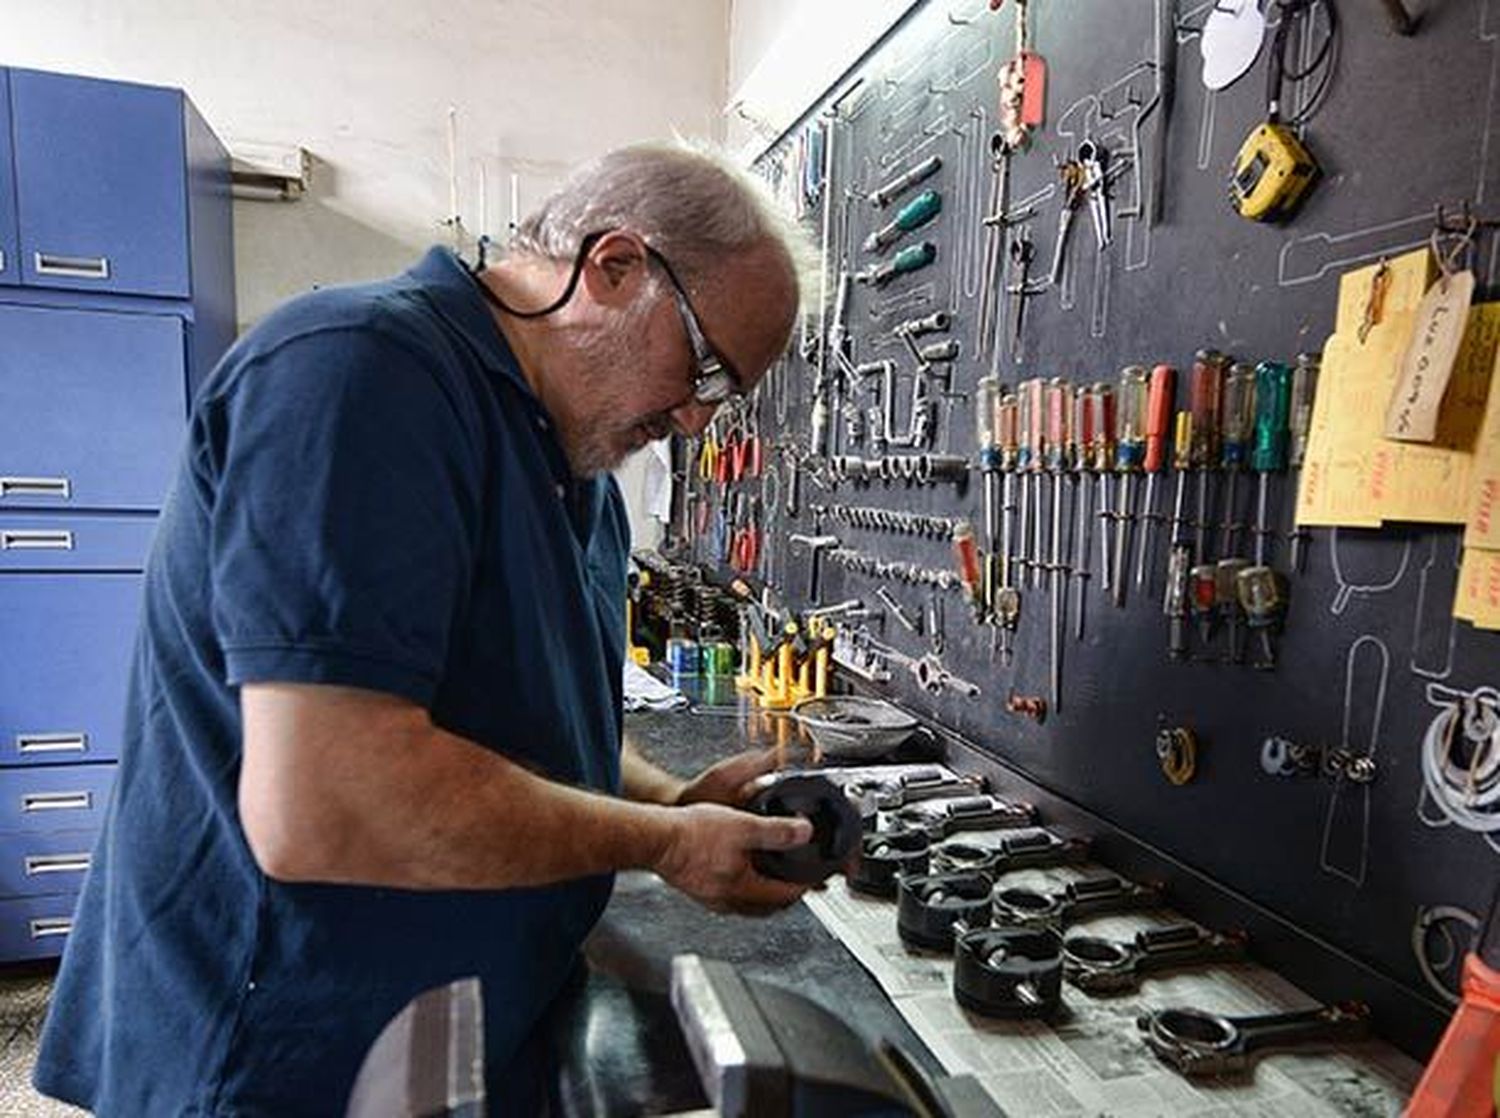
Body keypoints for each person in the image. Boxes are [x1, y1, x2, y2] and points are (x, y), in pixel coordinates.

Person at [35, 142, 819, 1115]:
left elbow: (537, 725)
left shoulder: (579, 479)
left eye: (725, 393)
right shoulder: (358, 374)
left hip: (455, 1034)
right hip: (281, 1051)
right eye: (703, 365)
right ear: (612, 268)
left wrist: (672, 800)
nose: (698, 419)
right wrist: (659, 843)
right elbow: (328, 799)